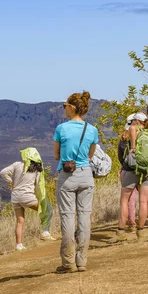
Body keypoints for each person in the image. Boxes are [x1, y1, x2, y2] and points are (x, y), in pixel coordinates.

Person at [53, 91, 98, 273]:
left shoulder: (61, 129)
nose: (64, 109)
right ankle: (82, 261)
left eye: (65, 106)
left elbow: (57, 155)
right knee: (84, 218)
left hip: (67, 176)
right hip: (86, 174)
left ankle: (68, 262)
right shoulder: (92, 129)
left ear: (72, 108)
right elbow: (91, 154)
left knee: (67, 217)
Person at [109, 112, 148, 243]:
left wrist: (133, 148)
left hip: (131, 169)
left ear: (137, 122)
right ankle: (140, 231)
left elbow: (132, 129)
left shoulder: (133, 129)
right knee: (144, 201)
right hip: (147, 171)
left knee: (124, 200)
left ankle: (121, 231)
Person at [0, 148, 56, 251]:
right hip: (27, 197)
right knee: (47, 210)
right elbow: (39, 186)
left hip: (15, 197)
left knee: (20, 221)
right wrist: (41, 197)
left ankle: (19, 245)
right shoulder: (36, 169)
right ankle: (45, 232)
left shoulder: (17, 164)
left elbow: (3, 172)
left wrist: (10, 181)